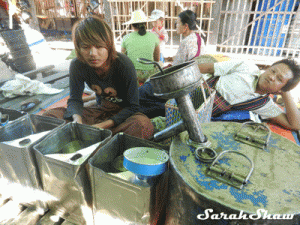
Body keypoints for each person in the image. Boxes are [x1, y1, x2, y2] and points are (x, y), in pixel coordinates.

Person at [42, 16, 154, 139]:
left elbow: (133, 106)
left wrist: (101, 126)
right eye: (85, 47)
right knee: (49, 116)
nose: (93, 54)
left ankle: (98, 137)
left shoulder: (124, 64)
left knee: (143, 125)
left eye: (99, 46)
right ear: (78, 48)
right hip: (99, 110)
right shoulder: (77, 65)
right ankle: (104, 138)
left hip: (123, 115)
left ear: (109, 46)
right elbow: (75, 99)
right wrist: (77, 122)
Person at [198, 58, 300, 130]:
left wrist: (286, 93)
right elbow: (208, 68)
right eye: (273, 71)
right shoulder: (247, 67)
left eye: (279, 79)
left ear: (280, 90)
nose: (272, 77)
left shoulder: (263, 104)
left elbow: (295, 124)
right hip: (191, 89)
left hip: (196, 116)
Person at [121, 10, 160, 85]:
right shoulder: (154, 37)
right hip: (149, 75)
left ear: (132, 25)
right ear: (145, 24)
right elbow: (157, 59)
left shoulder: (126, 38)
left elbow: (123, 59)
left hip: (133, 74)